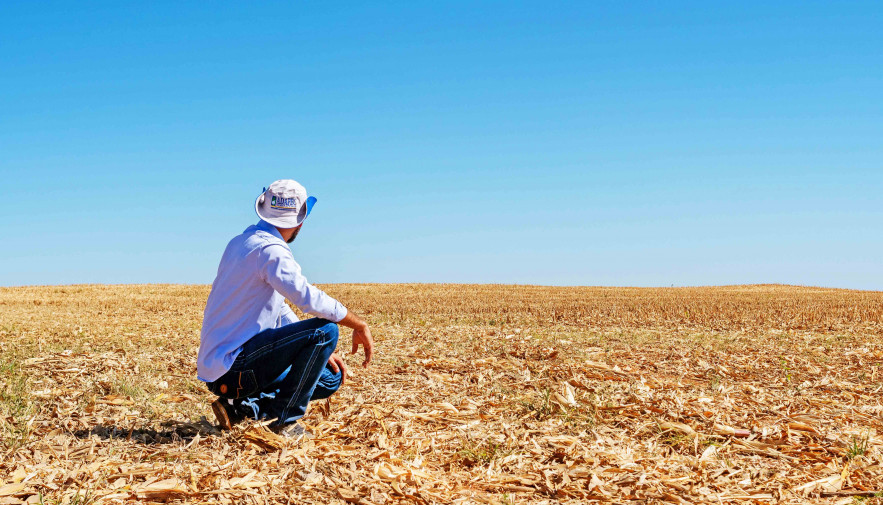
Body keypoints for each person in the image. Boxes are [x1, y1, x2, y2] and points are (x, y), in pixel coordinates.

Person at [196, 179, 374, 437]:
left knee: (329, 378)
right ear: (300, 220)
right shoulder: (271, 251)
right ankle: (284, 419)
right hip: (236, 368)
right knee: (326, 330)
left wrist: (317, 352)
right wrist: (358, 323)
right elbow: (307, 298)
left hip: (224, 369)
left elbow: (278, 309)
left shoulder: (241, 243)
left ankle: (245, 410)